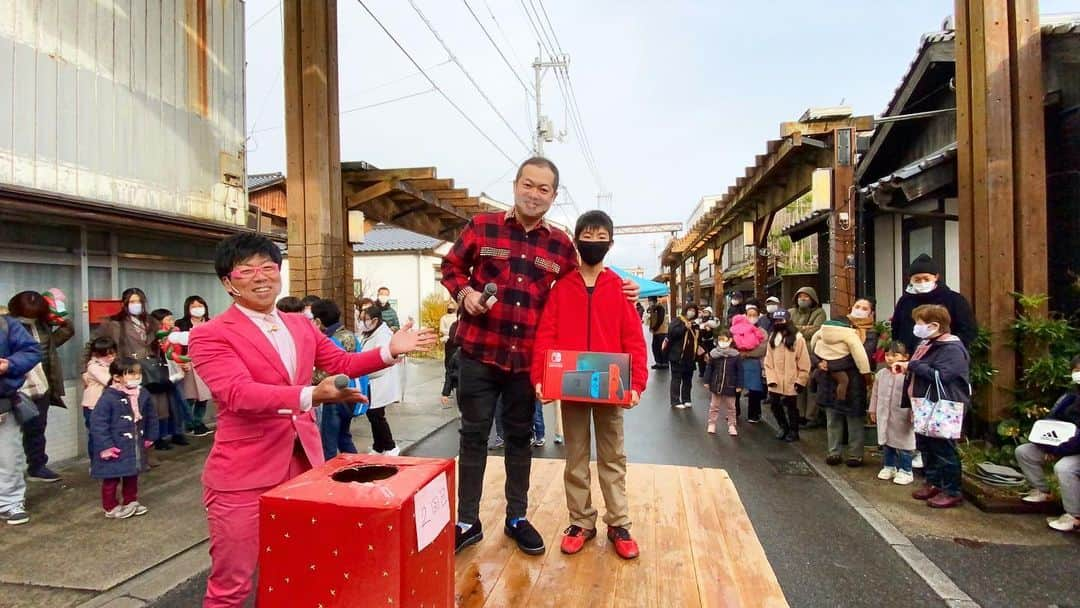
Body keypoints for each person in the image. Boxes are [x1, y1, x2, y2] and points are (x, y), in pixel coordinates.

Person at [188, 233, 435, 607]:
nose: (260, 277)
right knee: (232, 585)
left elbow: (342, 364)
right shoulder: (209, 335)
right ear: (228, 282)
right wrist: (312, 395)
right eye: (247, 270)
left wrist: (388, 350)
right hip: (242, 476)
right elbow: (238, 393)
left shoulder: (301, 326)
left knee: (298, 569)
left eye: (268, 267)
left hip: (304, 467)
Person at [440, 156, 639, 556]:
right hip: (480, 352)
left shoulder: (561, 244)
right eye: (528, 185)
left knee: (519, 438)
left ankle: (517, 517)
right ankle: (467, 520)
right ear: (515, 185)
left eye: (543, 189)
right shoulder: (482, 226)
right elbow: (451, 267)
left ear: (553, 195)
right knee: (474, 436)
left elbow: (584, 278)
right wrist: (467, 295)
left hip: (523, 361)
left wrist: (623, 287)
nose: (534, 194)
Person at [531, 209, 647, 560]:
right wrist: (541, 377)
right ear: (576, 241)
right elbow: (546, 334)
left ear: (610, 243)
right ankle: (581, 521)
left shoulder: (621, 289)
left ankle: (619, 522)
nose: (593, 244)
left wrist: (637, 383)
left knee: (613, 457)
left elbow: (634, 341)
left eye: (601, 238)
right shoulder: (561, 287)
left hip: (611, 387)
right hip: (572, 387)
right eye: (587, 237)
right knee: (575, 456)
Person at [893, 304, 970, 509]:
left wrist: (913, 365)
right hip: (924, 404)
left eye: (919, 322)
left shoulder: (952, 349)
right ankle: (933, 482)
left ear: (935, 325)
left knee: (944, 448)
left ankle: (952, 490)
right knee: (926, 445)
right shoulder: (928, 344)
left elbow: (942, 376)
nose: (916, 327)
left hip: (943, 406)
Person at [7, 291, 75, 482]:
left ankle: (37, 466)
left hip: (41, 385)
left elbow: (63, 334)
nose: (29, 319)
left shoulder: (42, 325)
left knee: (37, 430)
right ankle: (11, 476)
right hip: (16, 388)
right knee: (10, 435)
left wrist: (60, 314)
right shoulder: (7, 327)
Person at [1015, 354, 1080, 532]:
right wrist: (1048, 446)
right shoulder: (1070, 395)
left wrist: (1059, 450)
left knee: (1065, 468)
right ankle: (1042, 491)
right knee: (1024, 452)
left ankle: (1074, 515)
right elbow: (1051, 420)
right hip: (1061, 444)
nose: (1078, 374)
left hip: (1073, 448)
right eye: (1076, 370)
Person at [89, 357, 158, 519]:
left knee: (132, 474)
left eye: (138, 374)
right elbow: (98, 423)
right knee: (111, 478)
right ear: (117, 377)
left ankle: (130, 501)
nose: (136, 377)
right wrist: (105, 446)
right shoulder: (109, 397)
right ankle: (110, 506)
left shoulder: (143, 393)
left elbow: (151, 416)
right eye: (131, 374)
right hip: (115, 445)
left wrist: (150, 436)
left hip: (134, 442)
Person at [810, 318, 872, 466]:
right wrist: (868, 377)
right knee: (854, 420)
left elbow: (812, 351)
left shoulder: (820, 335)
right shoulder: (851, 337)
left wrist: (821, 363)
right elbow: (863, 361)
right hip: (853, 383)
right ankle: (855, 455)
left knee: (832, 420)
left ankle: (834, 452)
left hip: (828, 382)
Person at [0, 312, 42, 525]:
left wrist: (8, 364)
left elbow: (32, 350)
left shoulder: (6, 324)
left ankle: (10, 502)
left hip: (3, 401)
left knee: (9, 455)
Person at [891, 254, 977, 354]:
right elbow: (896, 329)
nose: (922, 282)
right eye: (917, 279)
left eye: (926, 279)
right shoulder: (905, 301)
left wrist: (950, 348)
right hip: (910, 357)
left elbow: (968, 330)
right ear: (910, 279)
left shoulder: (954, 300)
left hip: (944, 357)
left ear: (936, 277)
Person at [311, 299, 361, 460]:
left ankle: (327, 479)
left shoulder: (331, 340)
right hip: (351, 394)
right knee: (344, 438)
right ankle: (359, 467)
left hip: (334, 397)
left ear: (318, 321)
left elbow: (326, 372)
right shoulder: (349, 335)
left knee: (329, 444)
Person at [356, 304, 403, 456]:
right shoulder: (368, 333)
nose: (362, 322)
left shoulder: (383, 335)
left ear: (375, 320)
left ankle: (390, 446)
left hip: (379, 380)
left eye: (365, 319)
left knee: (376, 415)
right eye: (361, 319)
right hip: (371, 381)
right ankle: (379, 446)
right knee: (373, 414)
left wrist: (364, 370)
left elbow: (382, 361)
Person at [869, 342, 915, 485]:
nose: (889, 358)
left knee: (904, 442)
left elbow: (914, 394)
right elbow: (875, 394)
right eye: (887, 355)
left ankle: (906, 470)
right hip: (884, 413)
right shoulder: (881, 374)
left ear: (905, 356)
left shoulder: (909, 375)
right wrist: (873, 409)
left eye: (894, 355)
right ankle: (889, 466)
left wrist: (914, 412)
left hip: (903, 414)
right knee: (887, 440)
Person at [764, 309, 810, 442]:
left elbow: (804, 361)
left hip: (792, 379)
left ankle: (794, 431)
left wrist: (801, 380)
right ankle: (783, 427)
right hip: (775, 380)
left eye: (781, 320)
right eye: (776, 320)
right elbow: (768, 361)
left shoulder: (798, 339)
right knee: (774, 405)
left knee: (792, 407)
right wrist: (771, 378)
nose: (779, 323)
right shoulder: (773, 339)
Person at [148, 309, 188, 449]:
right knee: (162, 406)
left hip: (176, 369)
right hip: (161, 373)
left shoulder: (176, 333)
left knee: (178, 403)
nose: (172, 321)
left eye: (172, 318)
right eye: (168, 319)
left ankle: (178, 432)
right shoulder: (153, 336)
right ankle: (159, 437)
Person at [789, 286, 826, 429]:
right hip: (794, 353)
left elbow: (816, 330)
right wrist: (805, 328)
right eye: (800, 296)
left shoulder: (819, 312)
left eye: (806, 297)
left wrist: (797, 328)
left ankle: (811, 416)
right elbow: (787, 328)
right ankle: (799, 414)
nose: (802, 299)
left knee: (811, 385)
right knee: (797, 384)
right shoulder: (791, 311)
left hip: (812, 354)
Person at [81, 337, 118, 459]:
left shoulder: (112, 365)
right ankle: (95, 462)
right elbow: (109, 381)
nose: (111, 357)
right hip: (93, 406)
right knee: (96, 435)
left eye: (113, 353)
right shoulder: (93, 366)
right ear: (96, 354)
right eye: (106, 355)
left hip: (107, 405)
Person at [704, 328, 742, 436]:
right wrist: (707, 381)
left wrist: (739, 385)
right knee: (714, 406)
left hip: (730, 385)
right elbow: (709, 368)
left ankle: (732, 425)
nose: (722, 342)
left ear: (730, 340)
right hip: (716, 385)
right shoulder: (714, 354)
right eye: (720, 339)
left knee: (731, 407)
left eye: (724, 339)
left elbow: (740, 371)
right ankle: (712, 424)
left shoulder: (735, 355)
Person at [732, 311, 768, 423]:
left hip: (755, 362)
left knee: (755, 389)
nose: (752, 318)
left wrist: (746, 353)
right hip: (738, 362)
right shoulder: (736, 328)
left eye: (754, 315)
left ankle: (754, 414)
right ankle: (733, 411)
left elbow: (763, 348)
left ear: (758, 316)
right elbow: (730, 343)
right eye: (749, 315)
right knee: (735, 388)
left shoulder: (762, 331)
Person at [666, 304, 701, 409]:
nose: (691, 312)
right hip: (677, 356)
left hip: (690, 357)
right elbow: (672, 333)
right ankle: (675, 401)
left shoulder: (695, 324)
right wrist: (684, 328)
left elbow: (698, 339)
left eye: (694, 311)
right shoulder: (678, 321)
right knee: (676, 379)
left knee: (688, 380)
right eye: (689, 310)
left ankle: (686, 399)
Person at [647, 296, 669, 370]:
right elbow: (652, 319)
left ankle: (665, 363)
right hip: (656, 332)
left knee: (662, 347)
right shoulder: (653, 308)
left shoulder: (660, 308)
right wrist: (651, 328)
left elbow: (660, 319)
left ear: (654, 301)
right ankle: (658, 362)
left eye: (650, 300)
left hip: (662, 331)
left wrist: (654, 328)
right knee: (655, 347)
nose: (649, 302)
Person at [696, 307, 718, 378]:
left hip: (710, 342)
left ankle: (710, 371)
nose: (705, 314)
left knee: (710, 356)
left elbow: (714, 326)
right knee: (701, 357)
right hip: (702, 342)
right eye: (704, 312)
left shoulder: (712, 320)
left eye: (707, 312)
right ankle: (702, 371)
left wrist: (706, 326)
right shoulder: (700, 320)